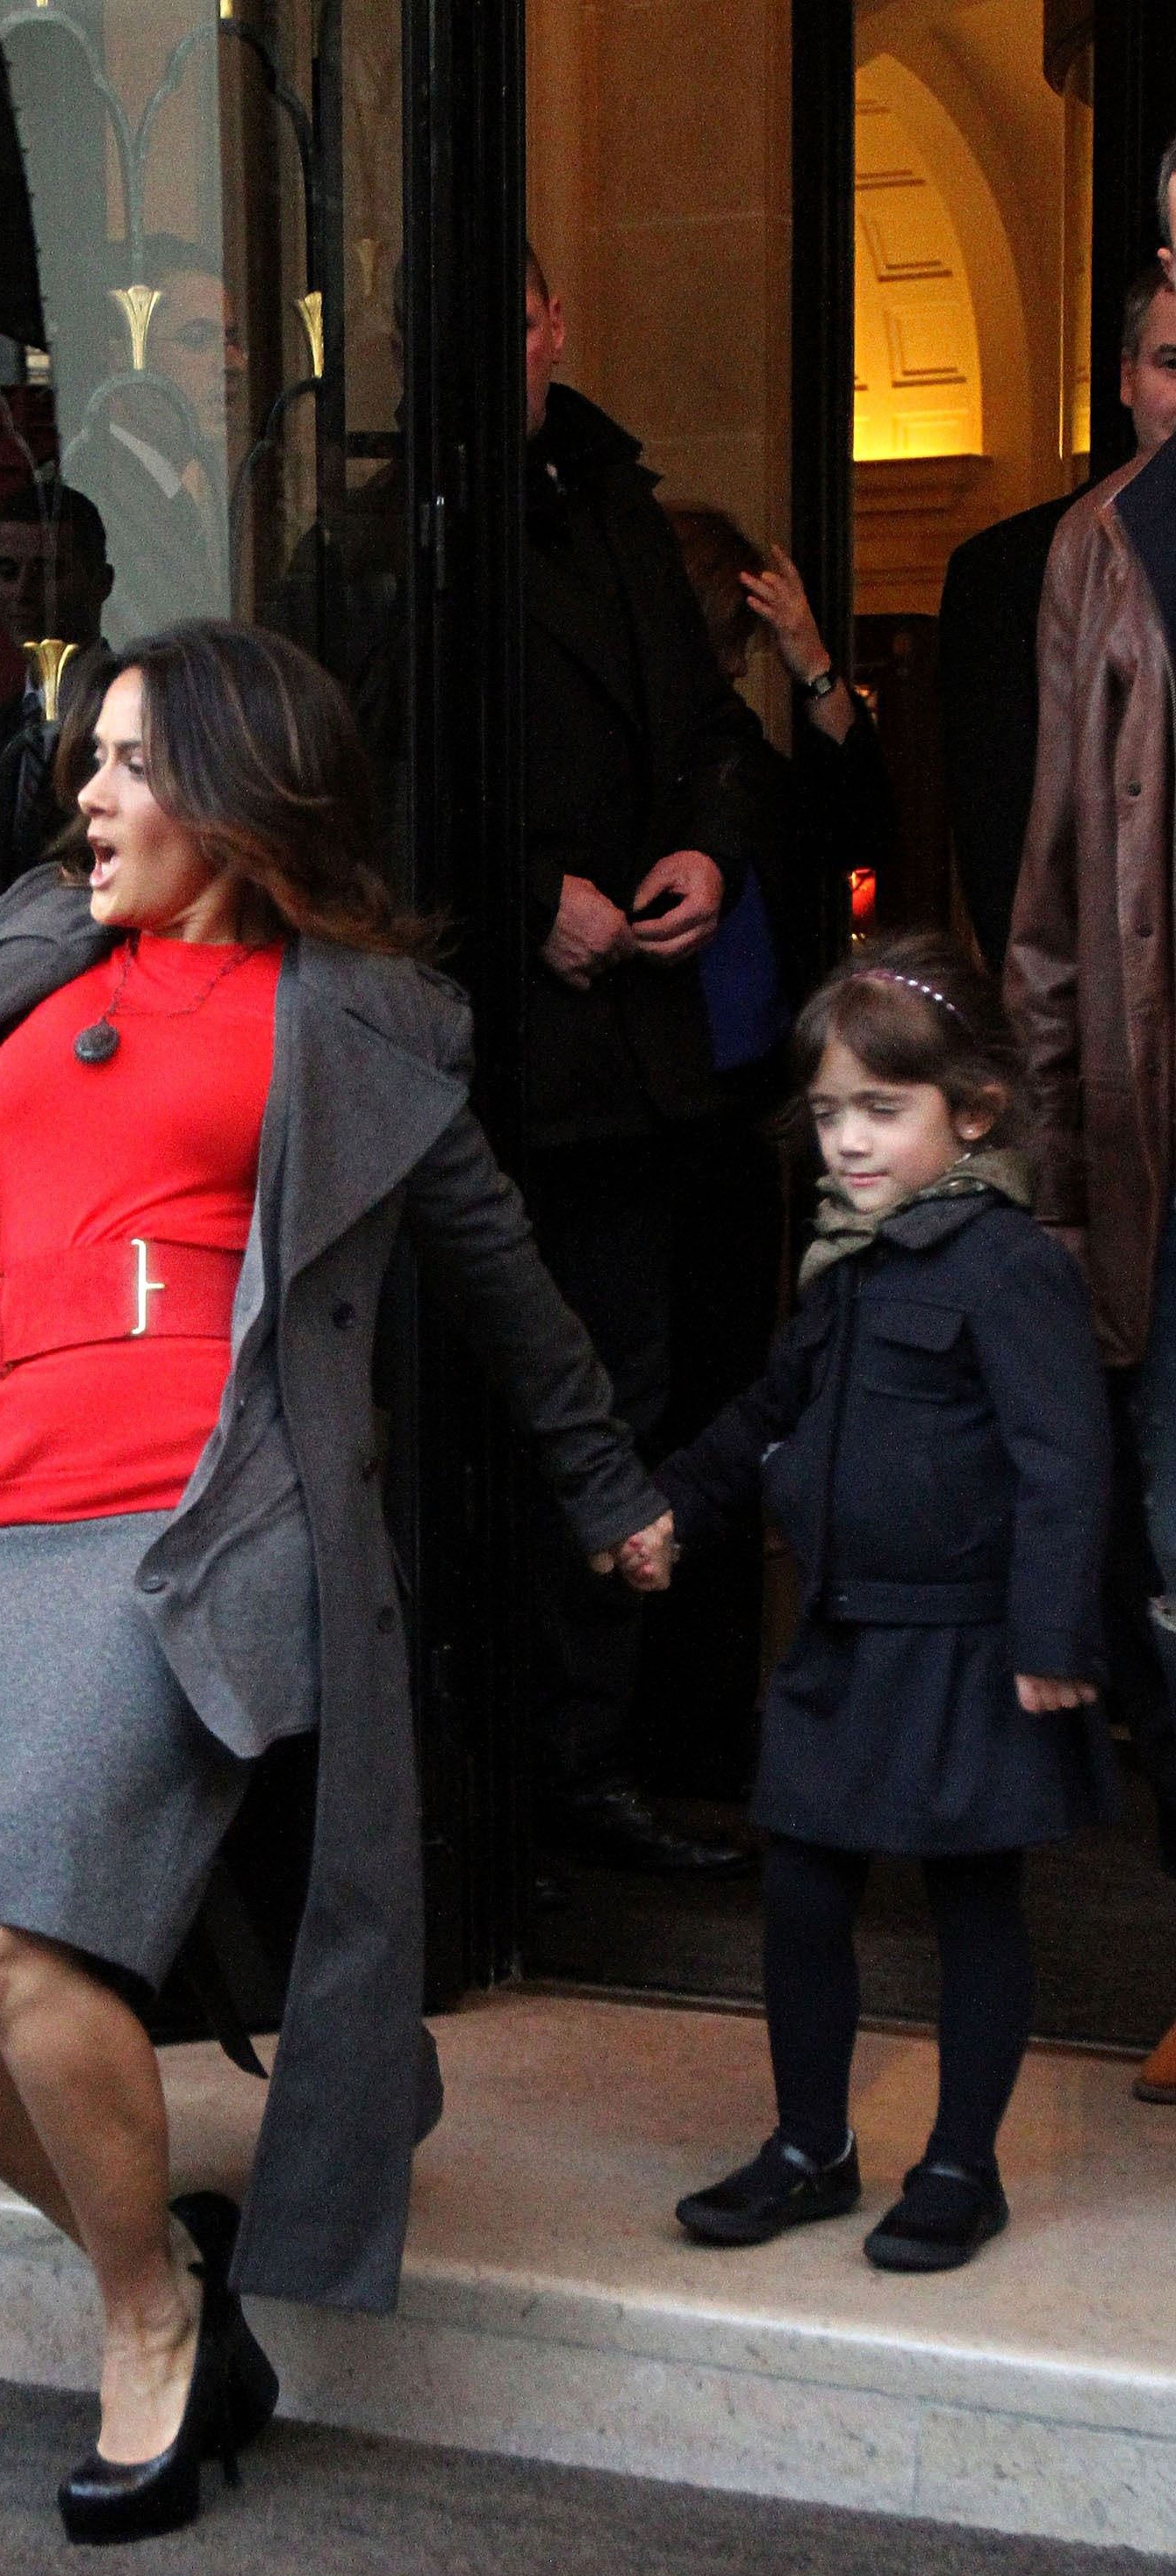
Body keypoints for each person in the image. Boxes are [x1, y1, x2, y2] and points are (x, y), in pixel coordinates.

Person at [0, 621, 673, 2544]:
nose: (87, 794)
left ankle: (149, 2328)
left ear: (239, 793)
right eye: (94, 759)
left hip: (199, 1532)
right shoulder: (32, 958)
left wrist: (606, 1482)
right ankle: (158, 2250)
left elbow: (497, 1267)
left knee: (12, 1941)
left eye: (133, 763)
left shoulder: (356, 1023)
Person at [661, 937, 1112, 2271]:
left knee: (972, 1898)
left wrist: (1051, 1635)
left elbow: (1064, 1458)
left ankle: (963, 2163)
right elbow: (770, 1410)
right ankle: (811, 2144)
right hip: (846, 1636)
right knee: (803, 1889)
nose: (848, 1142)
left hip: (968, 1641)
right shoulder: (845, 1267)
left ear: (971, 1113)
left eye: (881, 1108)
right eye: (827, 1113)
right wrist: (668, 1505)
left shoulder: (1009, 1265)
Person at [520, 243, 765, 1873]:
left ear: (557, 321)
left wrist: (708, 857)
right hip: (489, 1059)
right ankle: (500, 1777)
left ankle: (590, 1762)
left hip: (631, 1069)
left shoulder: (615, 505)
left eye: (523, 317)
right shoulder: (380, 526)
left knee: (624, 1398)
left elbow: (714, 739)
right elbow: (364, 782)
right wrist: (523, 897)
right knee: (494, 1411)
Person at [1007, 144, 1176, 2106]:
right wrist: (1058, 1183)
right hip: (1157, 1160)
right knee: (1169, 1564)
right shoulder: (1106, 550)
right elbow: (1055, 903)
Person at [641, 506, 891, 1802]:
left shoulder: (737, 758)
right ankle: (673, 1735)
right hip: (654, 1136)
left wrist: (816, 669)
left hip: (734, 1134)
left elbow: (856, 826)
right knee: (685, 1425)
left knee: (719, 1422)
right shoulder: (648, 763)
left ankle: (695, 1733)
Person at [943, 261, 1176, 968]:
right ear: (1126, 377)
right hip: (1110, 1002)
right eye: (1172, 364)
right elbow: (1005, 856)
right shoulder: (1010, 571)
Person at [0, 483, 115, 926]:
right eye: (7, 571)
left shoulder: (139, 718)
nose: (23, 592)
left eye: (48, 572)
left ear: (101, 583)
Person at [62, 240, 245, 643]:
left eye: (232, 340)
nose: (233, 363)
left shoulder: (213, 487)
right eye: (197, 339)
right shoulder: (95, 499)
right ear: (121, 359)